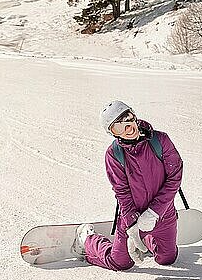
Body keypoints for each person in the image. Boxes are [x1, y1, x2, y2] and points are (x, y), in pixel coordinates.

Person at [72, 100, 183, 270]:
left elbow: (174, 177)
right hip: (133, 217)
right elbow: (122, 192)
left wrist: (153, 214)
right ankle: (87, 239)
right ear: (112, 133)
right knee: (119, 263)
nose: (128, 129)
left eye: (128, 119)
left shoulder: (160, 141)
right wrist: (132, 227)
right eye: (118, 127)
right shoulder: (114, 154)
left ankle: (147, 239)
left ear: (134, 116)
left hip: (164, 215)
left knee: (167, 259)